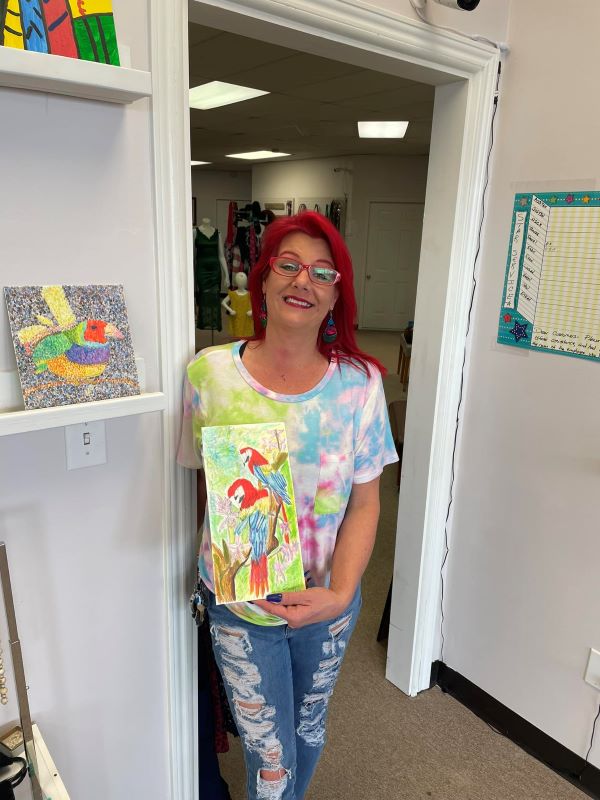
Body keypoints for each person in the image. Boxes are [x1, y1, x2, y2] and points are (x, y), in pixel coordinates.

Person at [177, 211, 398, 800]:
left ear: (335, 297)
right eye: (290, 265)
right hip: (242, 606)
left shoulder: (360, 385)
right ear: (264, 279)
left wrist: (342, 592)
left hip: (327, 600)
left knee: (307, 730)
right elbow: (202, 488)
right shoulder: (210, 374)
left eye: (323, 273)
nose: (305, 281)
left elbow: (367, 504)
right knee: (268, 753)